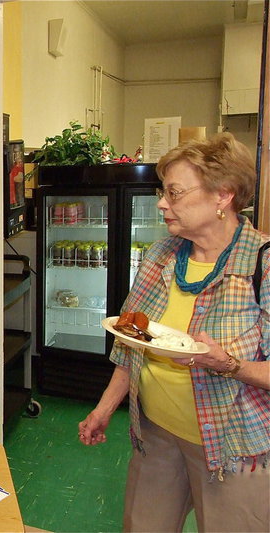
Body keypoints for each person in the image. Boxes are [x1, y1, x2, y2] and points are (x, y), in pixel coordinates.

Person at [79, 133, 269, 532]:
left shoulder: (262, 265)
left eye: (175, 193)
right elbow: (132, 343)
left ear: (223, 196)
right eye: (162, 192)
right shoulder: (160, 255)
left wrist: (230, 365)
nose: (162, 203)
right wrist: (104, 408)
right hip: (156, 435)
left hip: (231, 447)